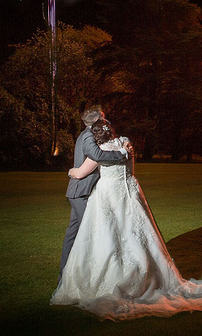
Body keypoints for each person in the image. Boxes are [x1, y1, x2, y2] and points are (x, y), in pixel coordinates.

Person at [50, 118, 202, 320]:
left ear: (97, 135)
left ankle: (113, 278)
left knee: (107, 237)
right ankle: (147, 274)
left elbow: (81, 172)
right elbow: (130, 171)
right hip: (129, 195)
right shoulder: (126, 144)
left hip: (108, 197)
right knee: (136, 234)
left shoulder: (101, 151)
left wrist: (70, 170)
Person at [59, 108, 128, 279]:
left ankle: (65, 275)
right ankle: (85, 275)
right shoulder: (88, 136)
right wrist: (121, 153)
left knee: (73, 234)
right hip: (81, 191)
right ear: (97, 119)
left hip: (79, 192)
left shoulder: (88, 134)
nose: (105, 121)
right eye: (103, 118)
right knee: (89, 233)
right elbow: (96, 154)